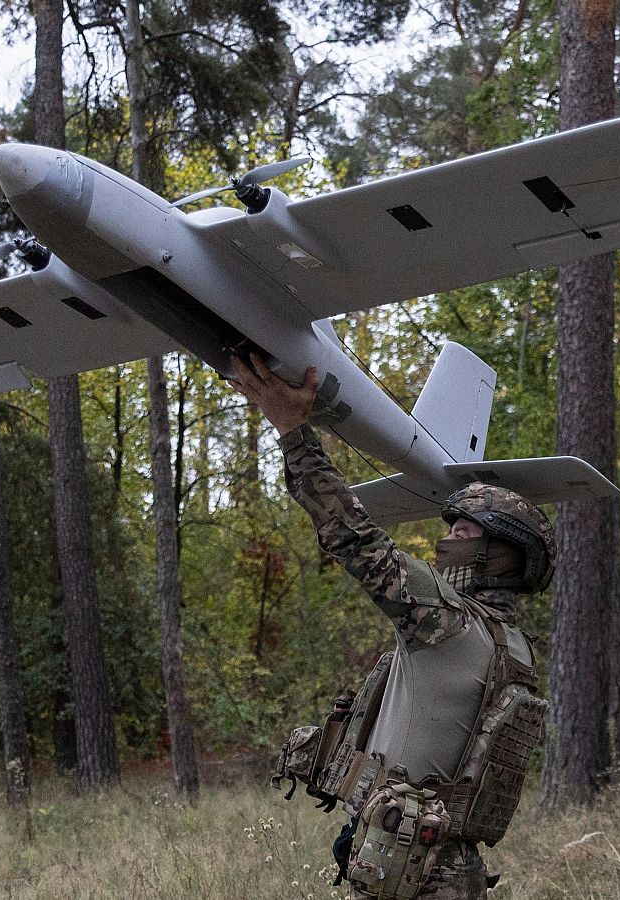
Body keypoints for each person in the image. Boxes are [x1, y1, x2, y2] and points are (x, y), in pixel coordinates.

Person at [230, 354, 552, 900]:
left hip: (410, 874)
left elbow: (354, 538)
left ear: (501, 553)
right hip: (441, 867)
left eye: (464, 531)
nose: (446, 541)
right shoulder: (515, 647)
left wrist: (292, 431)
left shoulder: (447, 623)